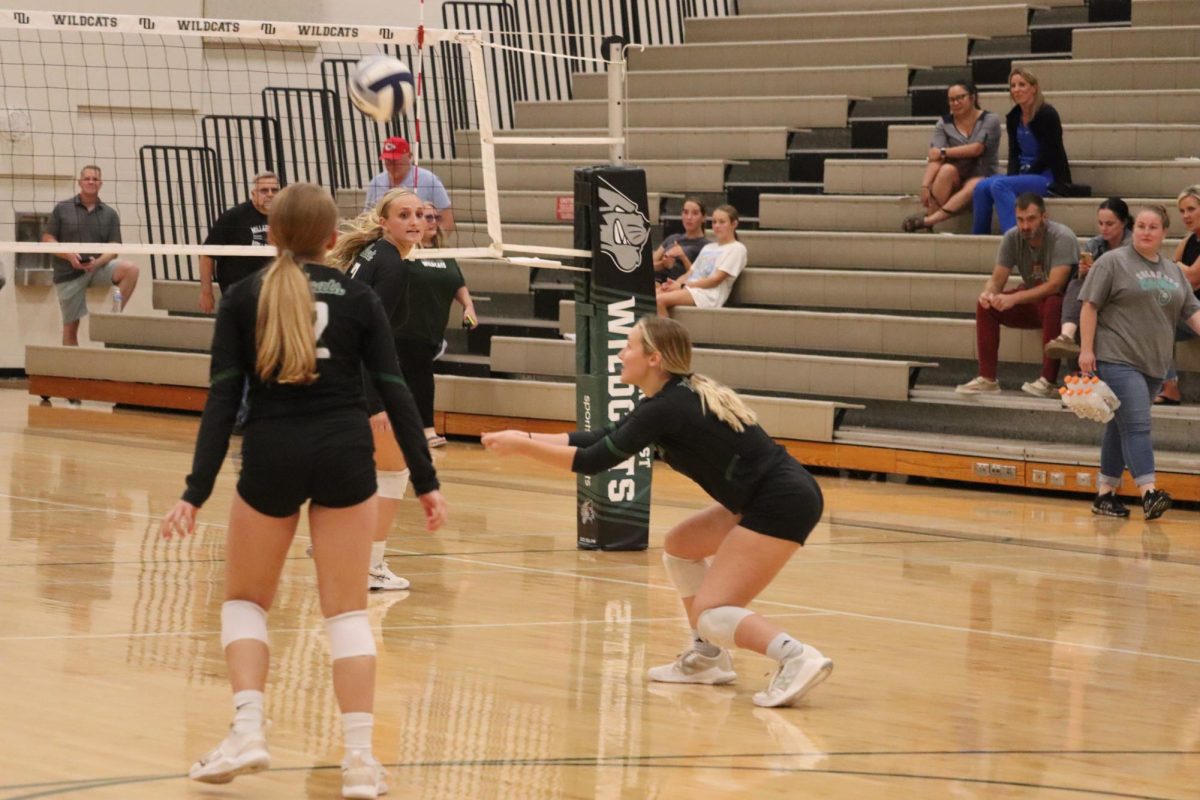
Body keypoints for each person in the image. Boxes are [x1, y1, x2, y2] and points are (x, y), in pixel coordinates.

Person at [159, 183, 447, 799]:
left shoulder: (244, 297)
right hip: (345, 453)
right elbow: (397, 391)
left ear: (272, 234)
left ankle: (248, 729)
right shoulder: (360, 295)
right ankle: (361, 761)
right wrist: (425, 481)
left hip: (272, 453)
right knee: (346, 614)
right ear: (330, 237)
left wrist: (195, 490)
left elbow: (220, 402)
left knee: (245, 603)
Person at [482, 315, 833, 708]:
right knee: (682, 544)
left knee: (712, 615)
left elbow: (594, 460)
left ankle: (796, 656)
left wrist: (521, 447)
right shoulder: (669, 399)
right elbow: (600, 437)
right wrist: (524, 436)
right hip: (770, 494)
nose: (620, 352)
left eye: (629, 345)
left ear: (655, 359)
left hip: (780, 501)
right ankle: (707, 659)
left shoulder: (668, 406)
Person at [1079, 205, 1200, 519]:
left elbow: (1192, 311)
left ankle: (1105, 493)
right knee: (1137, 424)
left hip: (1154, 364)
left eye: (1153, 227)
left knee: (1119, 428)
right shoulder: (1112, 262)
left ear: (1164, 233)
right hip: (1116, 357)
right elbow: (1089, 306)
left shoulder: (1173, 271)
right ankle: (1149, 492)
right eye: (1142, 226)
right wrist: (1086, 350)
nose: (1146, 232)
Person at [956, 193, 1075, 397]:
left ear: (1044, 217)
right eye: (1020, 219)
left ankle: (1048, 380)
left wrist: (1013, 298)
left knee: (1054, 302)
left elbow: (1055, 285)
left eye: (1031, 219)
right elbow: (996, 280)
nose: (1025, 226)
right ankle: (987, 378)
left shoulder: (1062, 237)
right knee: (986, 305)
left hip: (1062, 310)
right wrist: (989, 293)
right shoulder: (1012, 236)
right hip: (1033, 303)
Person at [42, 165, 140, 346]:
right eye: (87, 178)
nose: (90, 182)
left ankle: (114, 316)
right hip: (68, 273)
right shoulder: (63, 208)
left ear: (100, 184)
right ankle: (71, 371)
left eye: (94, 179)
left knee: (131, 270)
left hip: (97, 268)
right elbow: (48, 240)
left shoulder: (109, 214)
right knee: (71, 327)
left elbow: (114, 246)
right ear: (80, 182)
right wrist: (69, 255)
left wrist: (98, 262)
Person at [971, 68, 1072, 235]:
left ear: (1034, 88)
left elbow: (1050, 153)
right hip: (1023, 173)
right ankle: (978, 237)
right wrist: (1014, 176)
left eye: (1022, 85)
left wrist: (1023, 174)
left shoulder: (1047, 114)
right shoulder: (1014, 117)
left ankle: (1016, 239)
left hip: (1046, 175)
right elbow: (1014, 153)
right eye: (1013, 85)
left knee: (999, 185)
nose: (1016, 89)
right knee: (981, 186)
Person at [903, 81, 1002, 233]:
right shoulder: (943, 123)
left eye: (960, 97)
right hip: (957, 177)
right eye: (951, 99)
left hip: (984, 174)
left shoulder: (990, 119)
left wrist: (944, 152)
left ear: (972, 97)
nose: (955, 103)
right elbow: (935, 157)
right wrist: (925, 185)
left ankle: (929, 220)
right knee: (946, 170)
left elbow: (977, 149)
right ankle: (927, 220)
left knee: (976, 184)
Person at [1045, 198, 1133, 361]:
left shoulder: (1132, 245)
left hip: (1123, 293)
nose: (1104, 229)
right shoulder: (1095, 243)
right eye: (1100, 223)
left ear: (1123, 223)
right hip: (1095, 295)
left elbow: (1130, 277)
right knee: (1077, 283)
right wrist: (1083, 272)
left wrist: (1099, 274)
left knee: (1084, 293)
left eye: (1109, 224)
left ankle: (1067, 336)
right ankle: (1067, 336)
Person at [198, 173, 280, 313]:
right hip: (239, 294)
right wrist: (206, 292)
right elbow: (207, 255)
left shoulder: (284, 217)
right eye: (264, 190)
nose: (270, 194)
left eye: (274, 190)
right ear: (253, 194)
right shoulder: (234, 217)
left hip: (271, 292)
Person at [656, 204, 747, 317]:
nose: (717, 226)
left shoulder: (737, 248)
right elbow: (690, 273)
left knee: (659, 300)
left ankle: (668, 335)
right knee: (652, 294)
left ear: (734, 224)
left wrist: (682, 286)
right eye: (714, 222)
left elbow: (715, 280)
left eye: (722, 222)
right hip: (691, 288)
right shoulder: (709, 247)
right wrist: (676, 283)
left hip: (707, 295)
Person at [1156, 185, 1200, 404]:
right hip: (1191, 308)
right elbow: (1171, 277)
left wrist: (1175, 266)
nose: (1186, 216)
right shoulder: (1188, 240)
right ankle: (1168, 385)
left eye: (1191, 209)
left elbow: (1191, 277)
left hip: (1195, 311)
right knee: (1153, 316)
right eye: (1182, 211)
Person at [362, 136, 455, 234]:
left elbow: (447, 220)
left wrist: (433, 244)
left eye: (396, 160)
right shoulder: (376, 183)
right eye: (388, 160)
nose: (392, 165)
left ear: (409, 156)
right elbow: (366, 220)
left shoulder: (428, 180)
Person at [653, 198, 710, 283]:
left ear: (704, 217)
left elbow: (699, 278)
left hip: (677, 286)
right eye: (686, 212)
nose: (689, 217)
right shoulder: (673, 238)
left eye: (695, 213)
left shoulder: (707, 246)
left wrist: (683, 257)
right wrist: (663, 264)